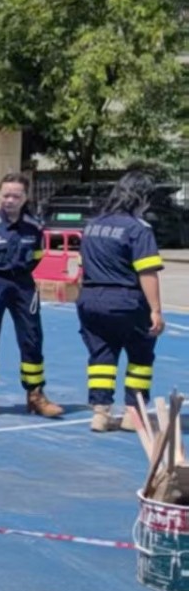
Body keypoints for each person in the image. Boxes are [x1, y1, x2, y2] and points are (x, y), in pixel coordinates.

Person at [0, 173, 64, 421]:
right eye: (6, 195)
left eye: (16, 196)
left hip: (23, 285)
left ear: (25, 197)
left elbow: (37, 256)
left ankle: (35, 394)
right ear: (0, 195)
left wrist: (19, 275)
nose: (10, 200)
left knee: (32, 337)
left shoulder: (34, 226)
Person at [77, 171, 166, 433]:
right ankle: (132, 415)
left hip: (91, 299)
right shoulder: (138, 228)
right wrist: (156, 310)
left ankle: (100, 413)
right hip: (127, 300)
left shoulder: (92, 225)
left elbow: (82, 265)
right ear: (142, 198)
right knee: (140, 356)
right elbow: (147, 272)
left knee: (101, 356)